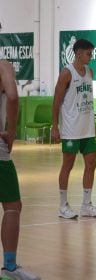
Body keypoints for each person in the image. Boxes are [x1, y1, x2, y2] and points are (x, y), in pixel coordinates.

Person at [52, 39, 96, 219]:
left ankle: (86, 205)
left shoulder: (90, 71)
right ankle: (62, 205)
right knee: (68, 165)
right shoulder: (67, 73)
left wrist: (94, 124)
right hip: (70, 128)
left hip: (87, 127)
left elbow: (89, 99)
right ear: (78, 53)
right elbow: (56, 101)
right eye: (89, 53)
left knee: (92, 163)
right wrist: (54, 126)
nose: (91, 56)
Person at [0, 60, 40, 279]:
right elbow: (13, 97)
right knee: (12, 205)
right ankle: (10, 268)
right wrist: (12, 131)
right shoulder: (2, 65)